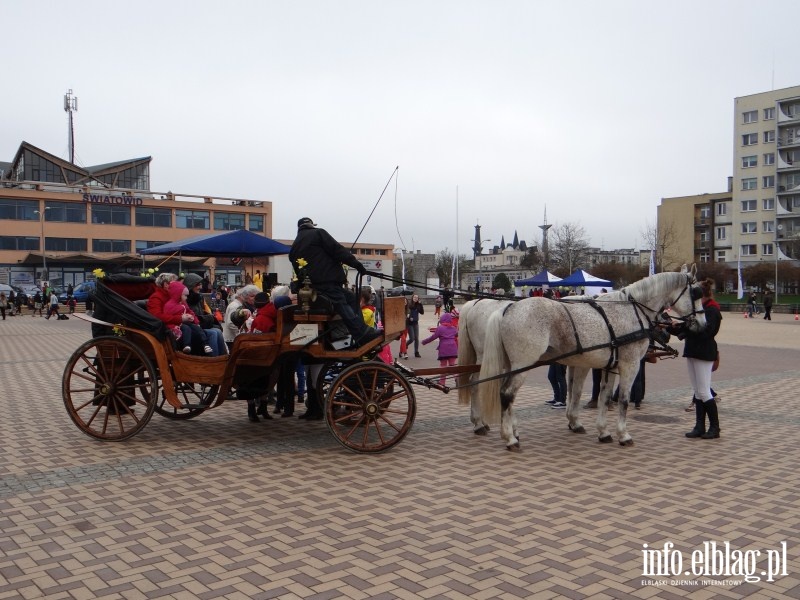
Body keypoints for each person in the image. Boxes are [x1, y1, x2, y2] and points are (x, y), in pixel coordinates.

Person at [289, 217, 379, 347]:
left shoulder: (294, 247)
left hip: (313, 288)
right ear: (311, 225)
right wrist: (356, 264)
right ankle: (361, 334)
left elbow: (299, 271)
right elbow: (337, 250)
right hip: (327, 282)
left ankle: (362, 330)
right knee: (342, 302)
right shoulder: (318, 233)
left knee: (352, 297)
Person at [670, 278, 723, 439]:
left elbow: (706, 332)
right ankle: (700, 425)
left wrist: (684, 327)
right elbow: (689, 329)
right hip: (693, 351)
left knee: (705, 392)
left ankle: (715, 428)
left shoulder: (712, 311)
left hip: (704, 352)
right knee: (698, 392)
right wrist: (672, 327)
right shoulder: (700, 310)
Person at [162, 281, 214, 355]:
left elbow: (189, 311)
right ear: (178, 294)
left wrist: (194, 320)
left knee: (197, 328)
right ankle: (187, 345)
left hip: (184, 322)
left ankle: (205, 344)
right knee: (187, 329)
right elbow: (168, 317)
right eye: (185, 296)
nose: (186, 298)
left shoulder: (182, 302)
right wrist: (181, 319)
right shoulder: (170, 305)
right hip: (177, 325)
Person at [183, 273, 225, 356]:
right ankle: (213, 360)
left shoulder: (199, 297)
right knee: (214, 332)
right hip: (193, 327)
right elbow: (192, 316)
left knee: (218, 331)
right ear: (190, 285)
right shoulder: (186, 299)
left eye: (201, 284)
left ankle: (223, 357)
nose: (200, 287)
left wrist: (210, 318)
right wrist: (209, 318)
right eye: (198, 285)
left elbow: (203, 312)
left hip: (201, 324)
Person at [421, 312, 458, 386]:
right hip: (453, 349)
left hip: (444, 349)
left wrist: (424, 342)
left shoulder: (440, 328)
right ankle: (457, 378)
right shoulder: (454, 328)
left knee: (443, 366)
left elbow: (433, 337)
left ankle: (442, 382)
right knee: (452, 365)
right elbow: (457, 334)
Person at [223, 284, 260, 349]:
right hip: (233, 339)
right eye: (252, 296)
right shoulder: (235, 305)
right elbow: (231, 323)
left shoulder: (242, 305)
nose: (254, 298)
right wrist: (242, 334)